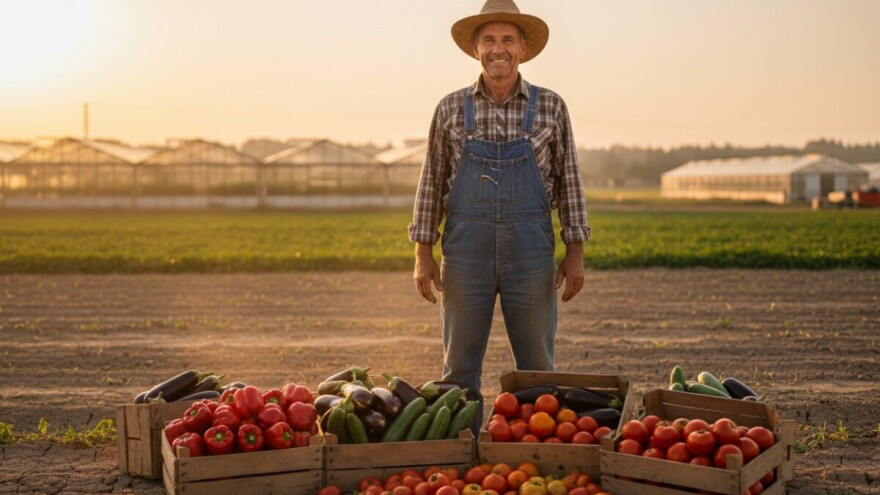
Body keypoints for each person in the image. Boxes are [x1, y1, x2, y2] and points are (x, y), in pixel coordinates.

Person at [408, 0, 591, 429]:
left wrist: (575, 250)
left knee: (537, 368)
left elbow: (570, 182)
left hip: (531, 250)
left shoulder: (551, 107)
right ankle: (462, 452)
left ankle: (531, 451)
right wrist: (422, 253)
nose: (498, 48)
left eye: (508, 39)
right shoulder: (451, 108)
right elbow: (431, 182)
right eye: (488, 39)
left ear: (523, 48)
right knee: (458, 370)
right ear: (475, 48)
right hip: (465, 252)